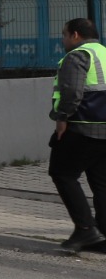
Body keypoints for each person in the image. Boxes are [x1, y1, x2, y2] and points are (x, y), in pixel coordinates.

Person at [48, 17, 106, 253]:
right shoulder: (104, 54)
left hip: (83, 126)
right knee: (101, 182)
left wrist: (62, 118)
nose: (63, 40)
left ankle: (86, 229)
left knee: (62, 173)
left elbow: (72, 92)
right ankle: (102, 235)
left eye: (64, 35)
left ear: (75, 35)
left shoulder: (78, 56)